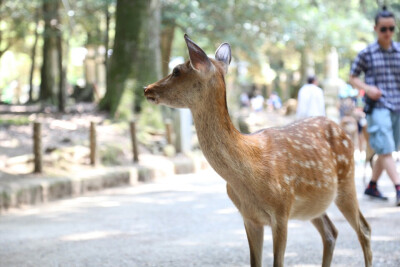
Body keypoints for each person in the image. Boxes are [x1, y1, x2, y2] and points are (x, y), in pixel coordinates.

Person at [349, 6, 400, 206]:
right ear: (375, 28)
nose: (387, 33)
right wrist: (368, 88)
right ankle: (398, 188)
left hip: (397, 107)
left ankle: (372, 185)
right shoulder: (367, 53)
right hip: (378, 106)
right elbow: (352, 77)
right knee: (386, 149)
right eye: (383, 29)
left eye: (391, 29)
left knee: (386, 148)